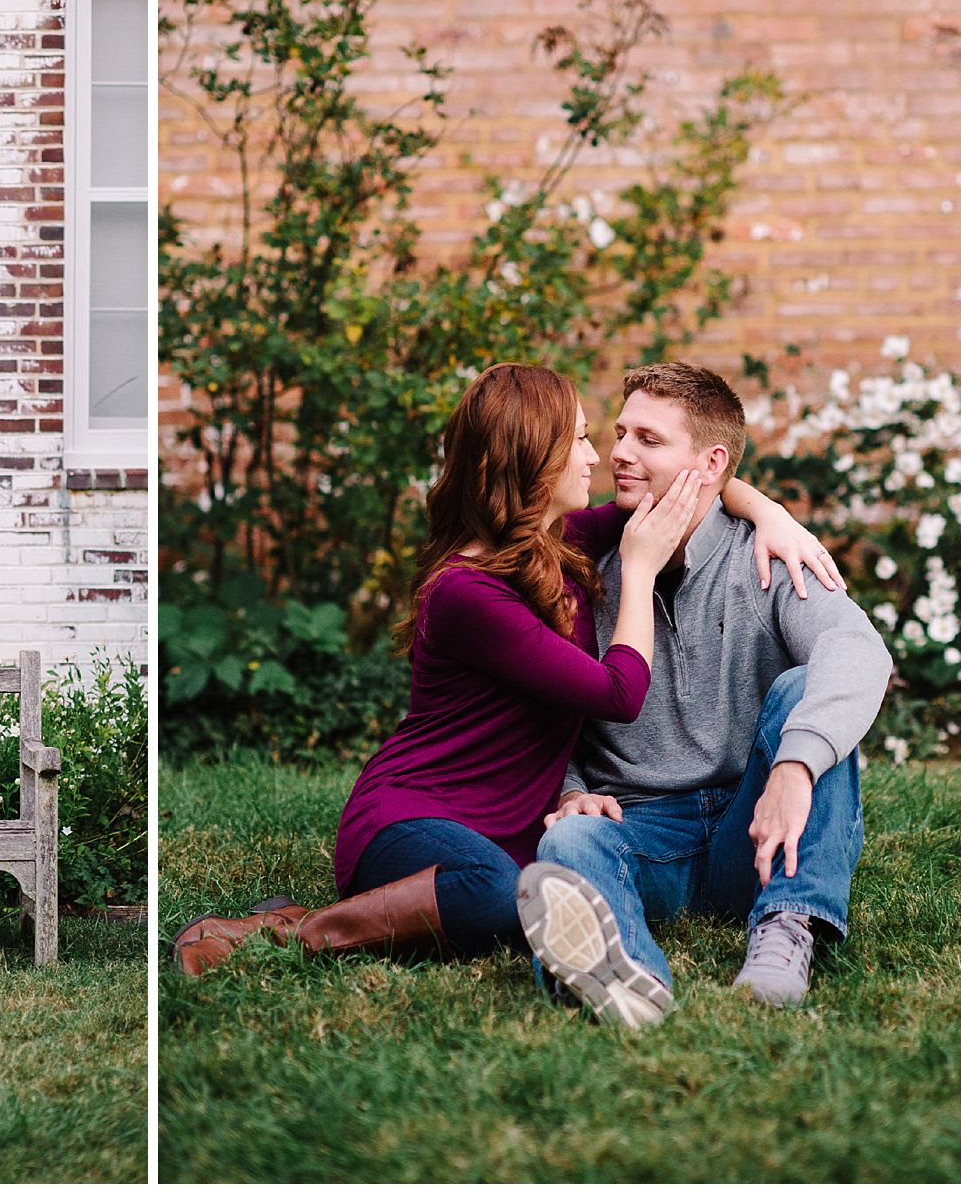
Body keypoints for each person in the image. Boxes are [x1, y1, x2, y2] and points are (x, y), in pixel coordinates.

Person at [172, 363, 840, 976]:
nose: (598, 457)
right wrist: (637, 572)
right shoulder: (467, 592)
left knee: (529, 895)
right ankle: (286, 934)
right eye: (578, 440)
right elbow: (618, 691)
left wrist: (771, 514)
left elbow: (691, 489)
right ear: (533, 459)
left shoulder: (556, 545)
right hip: (414, 817)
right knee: (498, 896)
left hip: (507, 831)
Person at [518, 362, 892, 1026]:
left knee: (807, 689)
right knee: (568, 845)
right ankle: (631, 978)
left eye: (649, 440)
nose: (620, 453)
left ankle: (787, 921)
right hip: (644, 832)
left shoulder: (770, 556)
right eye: (620, 432)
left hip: (758, 828)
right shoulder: (587, 575)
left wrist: (795, 765)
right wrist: (572, 790)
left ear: (712, 461)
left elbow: (858, 651)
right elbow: (553, 715)